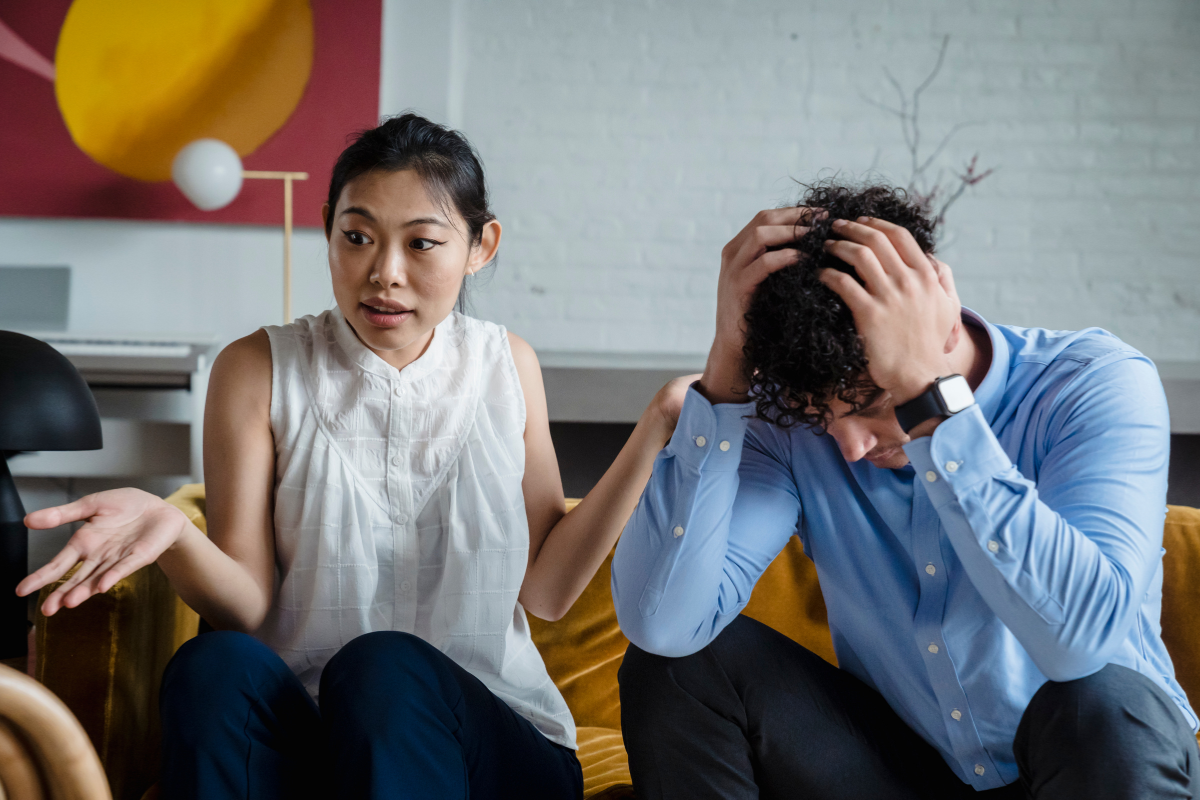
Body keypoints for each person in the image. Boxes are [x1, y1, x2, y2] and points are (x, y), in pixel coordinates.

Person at [18, 114, 694, 800]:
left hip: (487, 746)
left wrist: (655, 428)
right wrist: (171, 533)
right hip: (316, 738)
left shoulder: (506, 364)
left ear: (482, 245)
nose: (383, 274)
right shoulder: (257, 368)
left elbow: (546, 592)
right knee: (212, 664)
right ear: (328, 228)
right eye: (357, 237)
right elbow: (250, 613)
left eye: (422, 244)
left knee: (384, 667)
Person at [612, 182, 1200, 799]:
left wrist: (932, 404)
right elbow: (664, 625)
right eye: (822, 418)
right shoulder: (791, 425)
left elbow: (1081, 647)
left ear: (943, 325)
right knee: (680, 667)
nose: (849, 447)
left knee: (1100, 703)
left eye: (873, 404)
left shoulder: (1091, 383)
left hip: (1090, 766)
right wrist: (725, 378)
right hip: (912, 773)